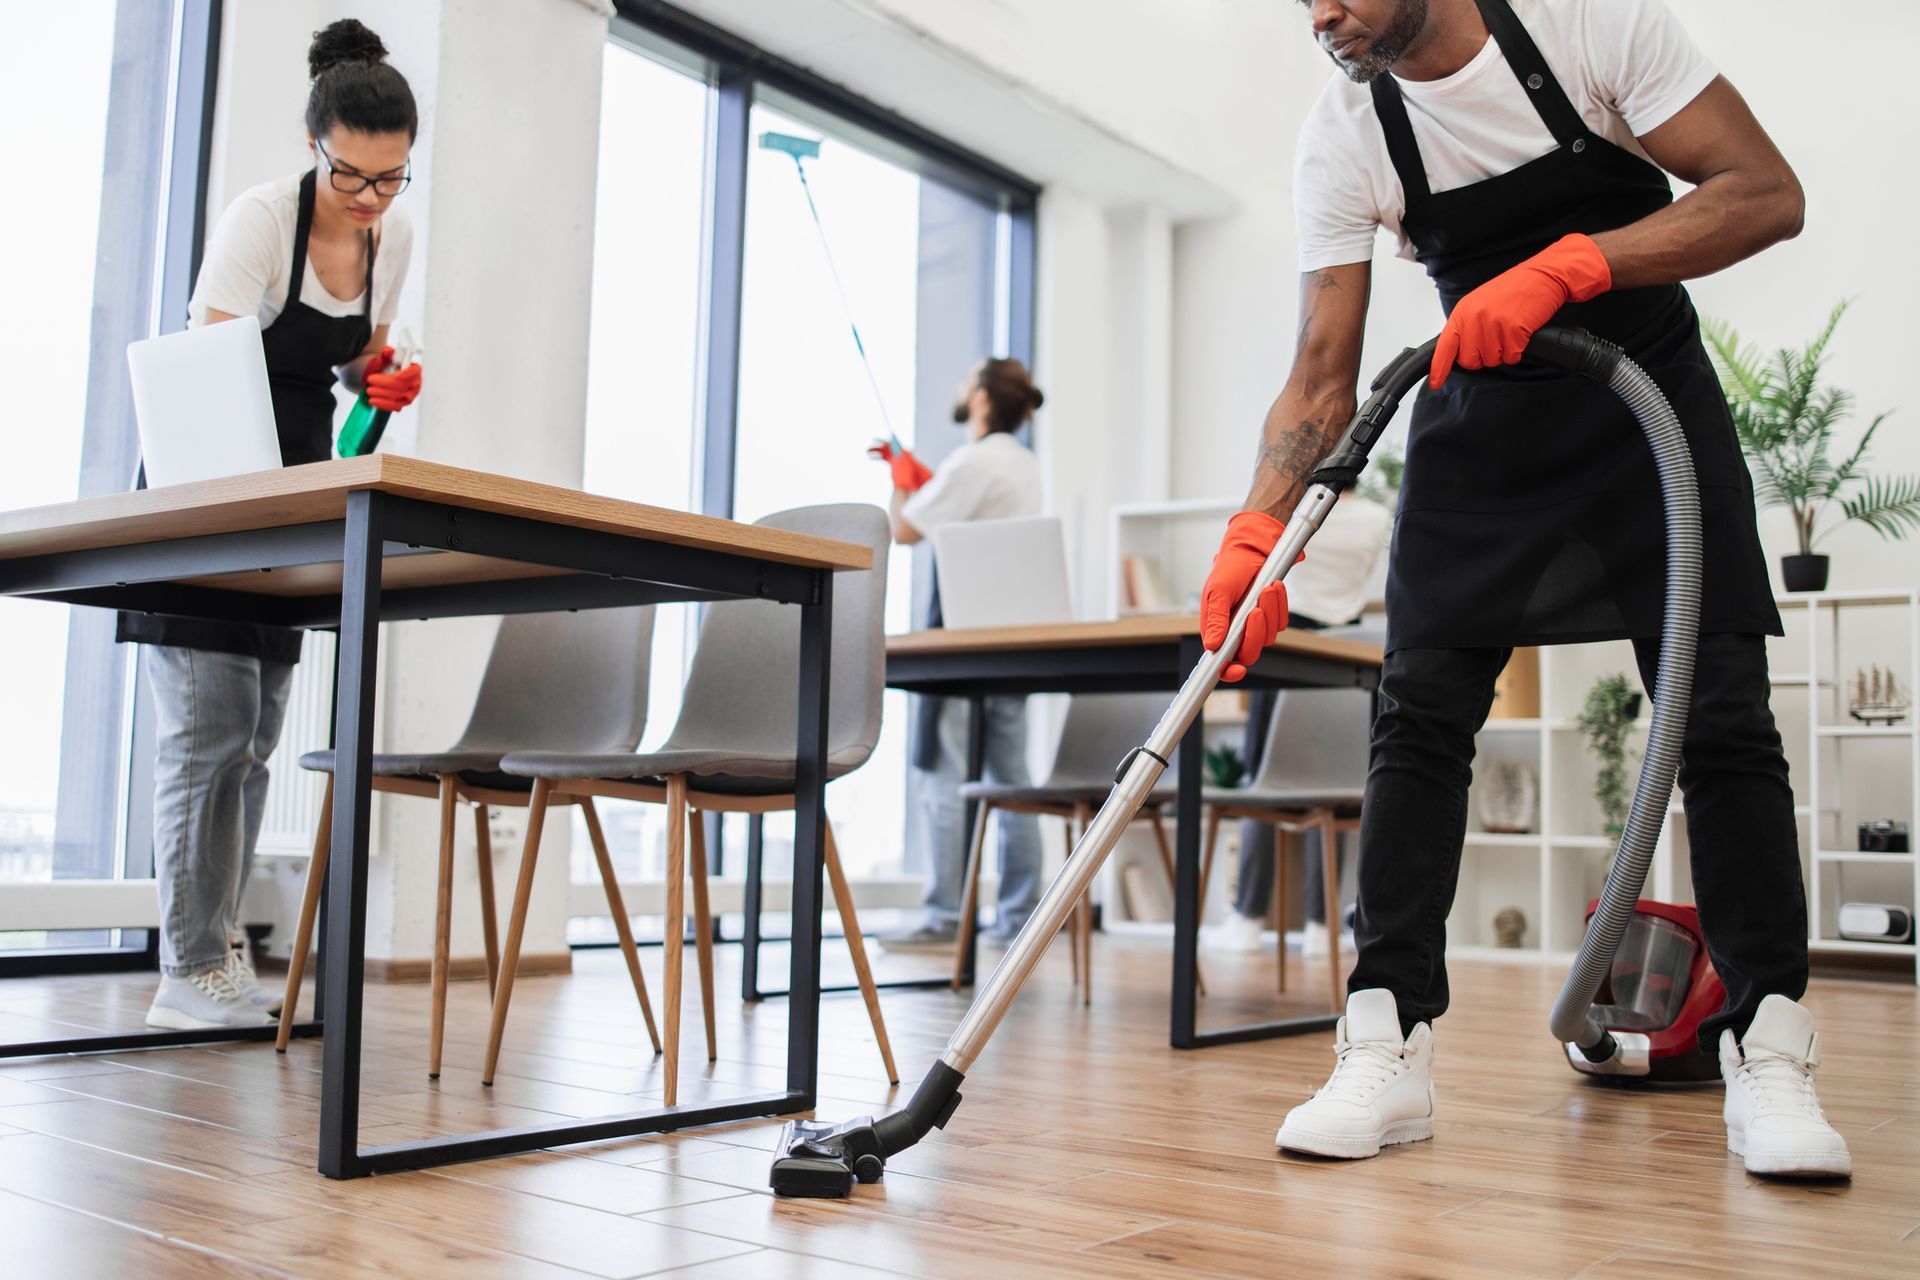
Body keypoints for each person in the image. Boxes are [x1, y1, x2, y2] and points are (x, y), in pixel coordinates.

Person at [1201, 0, 1850, 1178]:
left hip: (1648, 395)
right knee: (1420, 711)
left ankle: (1768, 1042)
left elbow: (1764, 191)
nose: (1321, 14)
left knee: (1720, 716)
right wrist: (1259, 528)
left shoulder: (1588, 24)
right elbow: (1319, 375)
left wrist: (1576, 263)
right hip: (1485, 419)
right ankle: (1387, 1035)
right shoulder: (1344, 130)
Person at [122, 20, 423, 1031]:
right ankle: (187, 964)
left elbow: (351, 362)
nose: (371, 198)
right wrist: (239, 508)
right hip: (209, 484)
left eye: (391, 179)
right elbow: (208, 372)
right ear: (314, 146)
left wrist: (382, 377)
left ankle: (216, 964)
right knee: (205, 734)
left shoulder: (393, 235)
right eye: (353, 177)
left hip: (298, 490)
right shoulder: (262, 216)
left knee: (253, 738)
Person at [872, 359, 1047, 950]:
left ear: (979, 399)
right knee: (1012, 780)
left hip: (962, 637)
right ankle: (1023, 916)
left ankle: (944, 916)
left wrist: (900, 478)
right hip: (1014, 637)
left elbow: (903, 530)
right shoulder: (1022, 464)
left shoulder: (972, 461)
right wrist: (927, 483)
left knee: (943, 776)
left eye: (964, 378)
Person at [1202, 491, 1391, 956]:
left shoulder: (1295, 511)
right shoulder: (1377, 518)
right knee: (1332, 792)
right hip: (1348, 655)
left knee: (1261, 783)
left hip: (1286, 648)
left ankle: (1247, 918)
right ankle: (1320, 928)